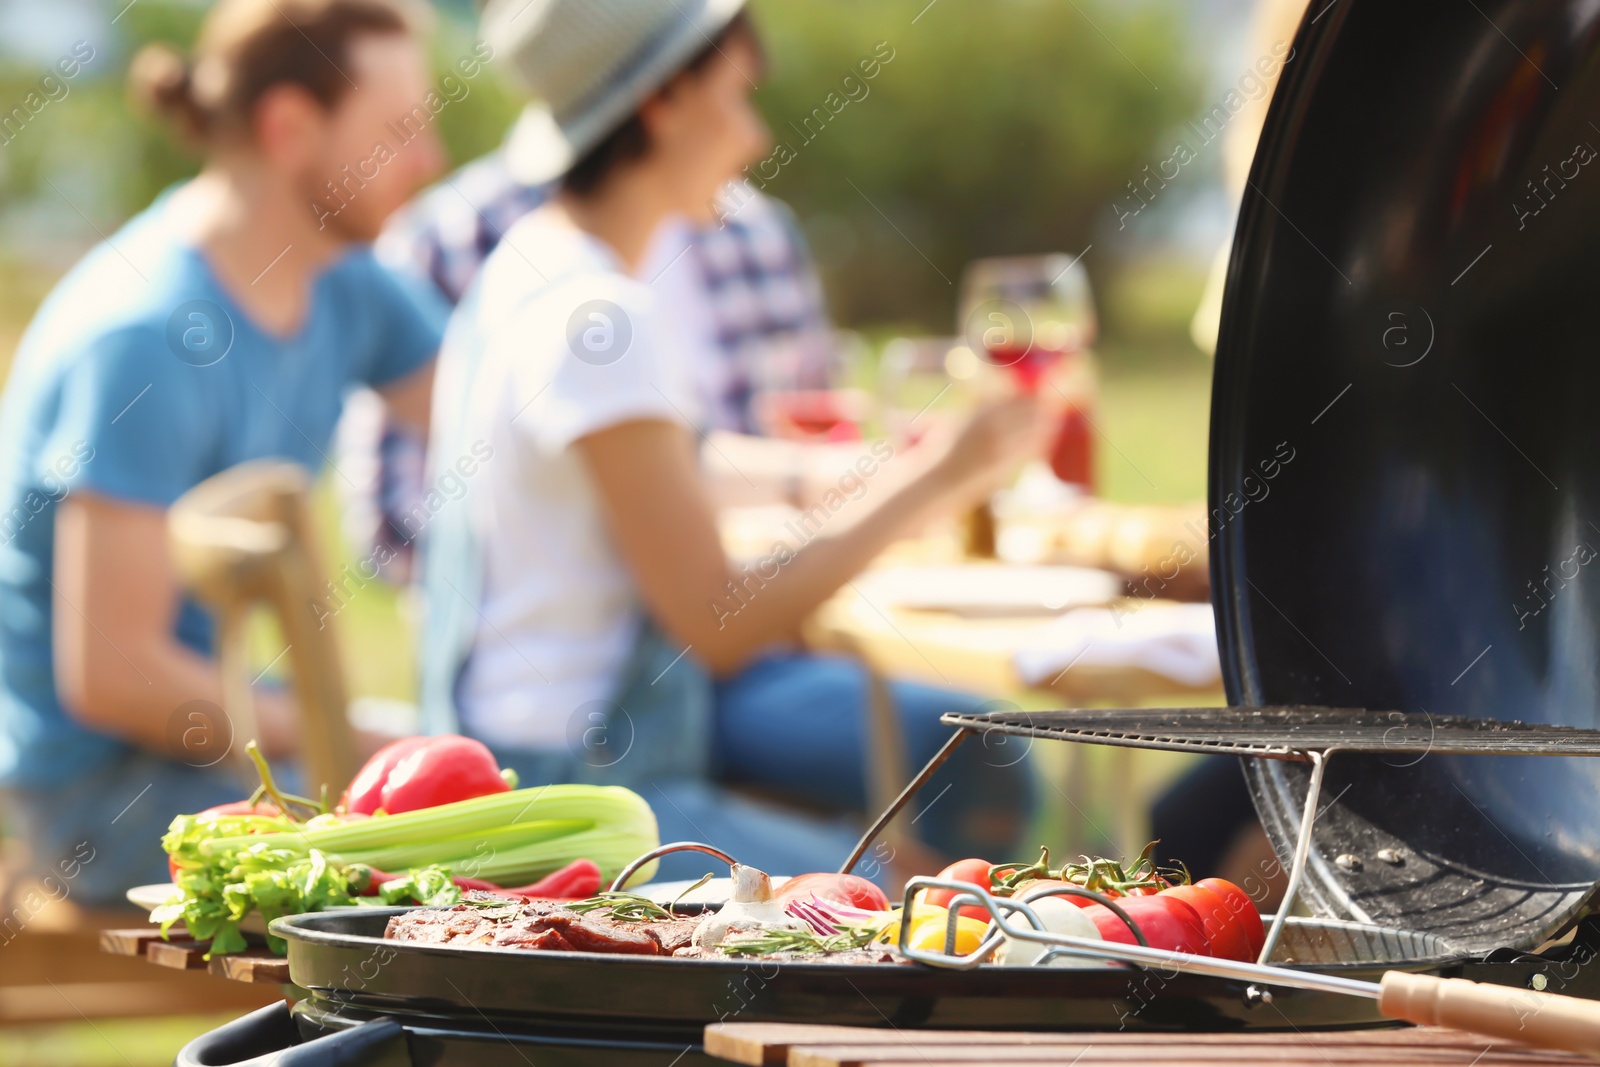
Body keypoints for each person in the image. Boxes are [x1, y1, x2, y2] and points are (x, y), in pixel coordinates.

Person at [422, 0, 1045, 881]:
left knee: (963, 776)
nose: (754, 137)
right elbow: (718, 623)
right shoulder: (599, 316)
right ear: (664, 101)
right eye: (738, 93)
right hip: (578, 796)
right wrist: (935, 479)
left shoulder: (531, 265)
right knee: (929, 907)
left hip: (534, 753)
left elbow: (671, 467)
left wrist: (882, 471)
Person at [0, 0, 447, 903]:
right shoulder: (143, 336)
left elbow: (498, 421)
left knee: (493, 816)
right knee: (461, 876)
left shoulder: (344, 279)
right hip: (105, 794)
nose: (430, 163)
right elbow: (115, 674)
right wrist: (345, 738)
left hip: (231, 752)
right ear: (289, 126)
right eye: (400, 130)